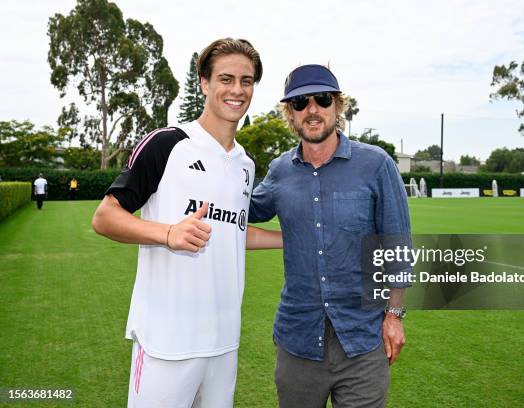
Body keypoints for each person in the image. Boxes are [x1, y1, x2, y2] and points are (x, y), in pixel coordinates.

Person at [92, 38, 281, 408]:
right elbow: (105, 217)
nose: (237, 90)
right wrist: (168, 233)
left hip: (224, 343)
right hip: (167, 341)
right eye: (226, 79)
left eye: (247, 81)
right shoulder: (168, 143)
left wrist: (290, 238)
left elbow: (231, 233)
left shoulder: (245, 164)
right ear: (205, 83)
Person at [249, 64, 411, 408]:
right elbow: (237, 212)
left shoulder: (377, 164)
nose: (312, 110)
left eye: (322, 99)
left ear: (338, 106)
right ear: (290, 115)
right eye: (299, 103)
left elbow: (398, 246)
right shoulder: (279, 171)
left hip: (363, 342)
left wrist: (394, 316)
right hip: (298, 341)